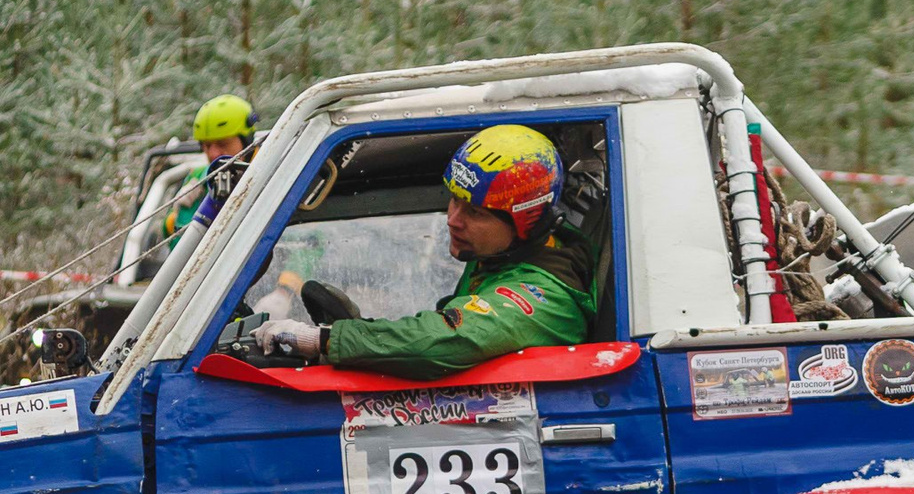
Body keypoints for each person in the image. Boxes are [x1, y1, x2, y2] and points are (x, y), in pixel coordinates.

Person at [249, 124, 595, 378]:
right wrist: (363, 334)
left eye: (474, 212)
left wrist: (322, 340)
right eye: (453, 200)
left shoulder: (542, 297)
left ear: (526, 222)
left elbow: (448, 338)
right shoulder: (498, 255)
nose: (453, 220)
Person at [162, 93, 256, 237]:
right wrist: (178, 216)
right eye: (206, 145)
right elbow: (177, 248)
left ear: (247, 141)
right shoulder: (199, 177)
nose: (213, 154)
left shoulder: (273, 171)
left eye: (222, 143)